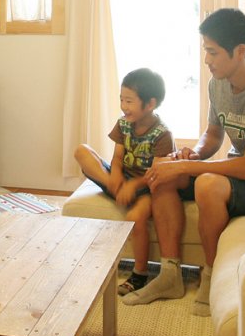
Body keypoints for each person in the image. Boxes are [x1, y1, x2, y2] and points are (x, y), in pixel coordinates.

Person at [122, 8, 245, 316]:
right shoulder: (218, 83)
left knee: (207, 184)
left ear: (240, 51)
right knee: (163, 173)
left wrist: (187, 167)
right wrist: (192, 154)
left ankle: (211, 278)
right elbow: (212, 135)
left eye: (213, 52)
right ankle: (169, 275)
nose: (206, 60)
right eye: (205, 51)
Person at [73, 67, 174, 295]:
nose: (123, 106)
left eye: (129, 101)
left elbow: (156, 173)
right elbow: (118, 158)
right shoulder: (124, 124)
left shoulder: (162, 134)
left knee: (135, 218)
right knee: (81, 151)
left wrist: (132, 186)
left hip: (146, 186)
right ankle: (113, 187)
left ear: (150, 104)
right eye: (121, 99)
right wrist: (115, 177)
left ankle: (139, 274)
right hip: (121, 180)